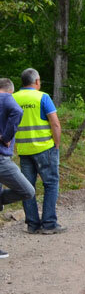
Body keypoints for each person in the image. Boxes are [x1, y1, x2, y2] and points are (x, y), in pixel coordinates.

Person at [13, 68, 64, 235]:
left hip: (23, 149)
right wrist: (57, 144)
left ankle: (32, 224)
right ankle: (49, 223)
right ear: (36, 81)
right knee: (51, 184)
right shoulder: (42, 97)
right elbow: (55, 123)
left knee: (27, 186)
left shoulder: (13, 98)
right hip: (45, 148)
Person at [0, 78, 37, 258]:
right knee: (28, 191)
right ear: (10, 90)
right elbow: (17, 111)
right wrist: (6, 136)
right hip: (1, 158)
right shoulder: (6, 97)